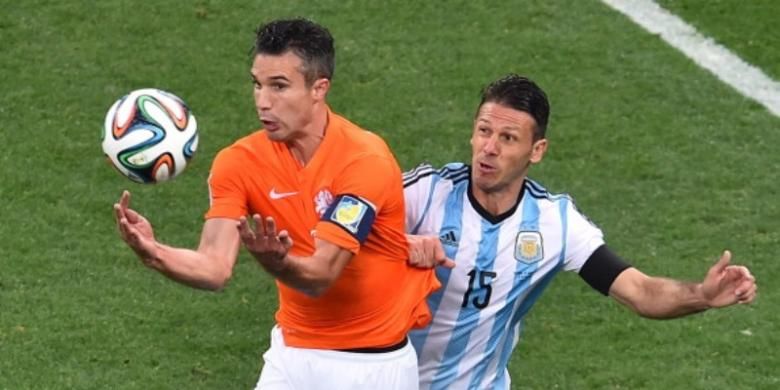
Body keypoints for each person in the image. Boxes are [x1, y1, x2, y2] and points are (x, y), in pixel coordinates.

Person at [113, 18, 440, 390]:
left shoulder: (364, 162)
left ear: (319, 88)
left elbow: (320, 277)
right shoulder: (239, 162)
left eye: (279, 86)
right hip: (289, 356)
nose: (262, 101)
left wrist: (277, 263)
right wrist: (154, 253)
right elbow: (214, 267)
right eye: (257, 84)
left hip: (369, 368)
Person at [402, 74, 757, 390]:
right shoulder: (426, 193)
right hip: (390, 377)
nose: (489, 148)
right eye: (484, 131)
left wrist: (702, 295)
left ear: (536, 151)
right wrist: (402, 244)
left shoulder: (554, 223)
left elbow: (640, 292)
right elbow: (348, 231)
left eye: (508, 138)